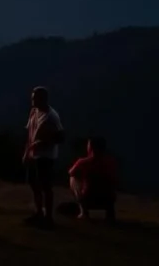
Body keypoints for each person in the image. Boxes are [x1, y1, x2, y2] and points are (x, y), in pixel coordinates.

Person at [23, 86, 65, 228]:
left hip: (46, 156)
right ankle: (39, 212)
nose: (33, 100)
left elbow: (60, 136)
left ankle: (48, 218)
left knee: (45, 186)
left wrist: (46, 141)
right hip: (34, 154)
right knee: (34, 184)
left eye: (35, 98)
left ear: (44, 99)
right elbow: (30, 133)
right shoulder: (33, 112)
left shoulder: (51, 116)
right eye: (32, 97)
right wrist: (26, 152)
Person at [68, 136, 118, 222]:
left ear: (90, 147)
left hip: (88, 198)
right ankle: (110, 213)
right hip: (107, 198)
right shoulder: (111, 162)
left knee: (72, 178)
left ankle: (84, 212)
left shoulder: (83, 162)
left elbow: (71, 172)